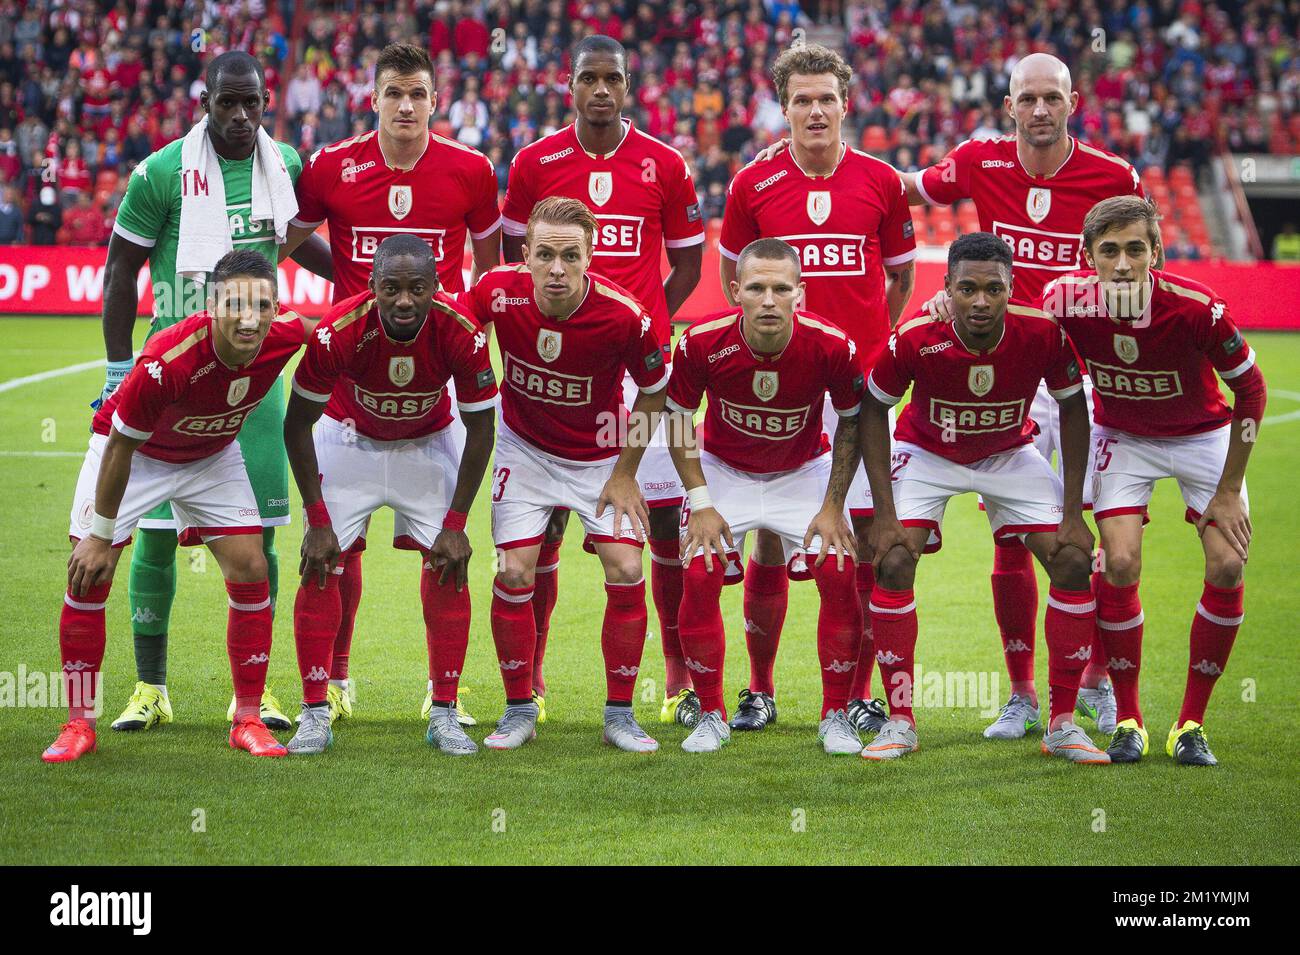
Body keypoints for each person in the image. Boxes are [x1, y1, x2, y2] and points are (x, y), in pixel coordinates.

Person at [909, 54, 1146, 739]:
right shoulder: (979, 160)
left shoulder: (1113, 177)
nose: (1039, 109)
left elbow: (1137, 264)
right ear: (1008, 104)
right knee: (1010, 538)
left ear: (1073, 102)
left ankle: (1094, 681)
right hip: (1013, 379)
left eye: (1052, 97)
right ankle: (1021, 695)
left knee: (1094, 538)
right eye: (1027, 98)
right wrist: (828, 149)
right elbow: (907, 187)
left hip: (1085, 378)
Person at [100, 51, 329, 735]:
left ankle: (253, 694)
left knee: (260, 535)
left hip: (252, 385)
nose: (239, 116)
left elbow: (300, 243)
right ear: (205, 100)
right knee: (157, 536)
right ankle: (150, 686)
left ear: (266, 103)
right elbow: (120, 271)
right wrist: (118, 368)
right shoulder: (162, 172)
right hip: (175, 377)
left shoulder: (284, 164)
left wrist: (363, 273)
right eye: (227, 103)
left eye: (251, 103)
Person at [280, 42, 502, 724]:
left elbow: (489, 275)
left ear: (436, 101)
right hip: (351, 389)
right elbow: (289, 239)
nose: (406, 106)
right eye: (393, 94)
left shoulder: (471, 170)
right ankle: (335, 681)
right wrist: (348, 281)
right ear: (372, 99)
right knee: (333, 548)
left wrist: (466, 340)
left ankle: (446, 695)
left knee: (447, 554)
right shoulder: (331, 167)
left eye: (418, 94)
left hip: (434, 384)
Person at [500, 35, 704, 728]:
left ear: (628, 85)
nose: (600, 90)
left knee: (664, 529)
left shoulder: (664, 165)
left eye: (611, 79)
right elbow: (512, 255)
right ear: (570, 84)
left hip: (634, 373)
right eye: (588, 78)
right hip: (563, 374)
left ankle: (678, 679)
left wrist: (643, 324)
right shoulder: (535, 162)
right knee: (544, 531)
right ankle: (530, 679)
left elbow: (689, 265)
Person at [43, 251, 317, 763]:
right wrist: (102, 534)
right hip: (134, 457)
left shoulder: (282, 336)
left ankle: (248, 718)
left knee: (252, 566)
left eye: (263, 304)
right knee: (89, 574)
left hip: (211, 456)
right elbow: (120, 446)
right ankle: (78, 723)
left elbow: (329, 326)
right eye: (236, 304)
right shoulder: (167, 360)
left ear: (276, 306)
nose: (250, 318)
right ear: (213, 304)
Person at [718, 42, 916, 735]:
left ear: (846, 102)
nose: (814, 110)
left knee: (859, 542)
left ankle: (856, 693)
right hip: (785, 390)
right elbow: (731, 281)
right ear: (784, 105)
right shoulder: (752, 184)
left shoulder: (882, 182)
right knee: (772, 537)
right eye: (801, 99)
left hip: (857, 394)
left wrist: (866, 349)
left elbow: (899, 279)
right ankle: (760, 688)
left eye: (826, 98)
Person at [860, 233, 1105, 763]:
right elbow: (873, 409)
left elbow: (1072, 410)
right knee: (894, 558)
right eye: (966, 288)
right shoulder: (916, 337)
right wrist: (883, 514)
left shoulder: (1042, 334)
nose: (979, 301)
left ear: (1011, 289)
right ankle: (900, 720)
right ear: (945, 288)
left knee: (1073, 559)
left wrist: (1072, 515)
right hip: (927, 452)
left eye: (993, 289)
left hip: (1007, 454)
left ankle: (1062, 723)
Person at [1040, 196, 1267, 765]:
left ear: (1156, 253)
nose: (1122, 263)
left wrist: (1227, 491)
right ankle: (1131, 720)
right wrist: (945, 300)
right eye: (1109, 251)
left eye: (1135, 250)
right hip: (1125, 438)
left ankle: (1191, 723)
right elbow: (1011, 327)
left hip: (1204, 439)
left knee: (1228, 563)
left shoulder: (1198, 309)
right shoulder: (1064, 303)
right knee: (1118, 563)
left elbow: (1252, 391)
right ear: (1087, 257)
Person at [459, 196, 667, 753]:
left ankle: (620, 714)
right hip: (523, 449)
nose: (557, 268)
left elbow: (655, 391)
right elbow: (455, 326)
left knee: (625, 567)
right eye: (544, 254)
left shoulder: (625, 315)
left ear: (590, 255)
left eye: (570, 256)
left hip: (599, 455)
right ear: (524, 254)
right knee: (515, 570)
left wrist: (625, 474)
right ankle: (519, 708)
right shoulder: (496, 291)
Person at [282, 235, 497, 755]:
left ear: (436, 287)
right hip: (348, 438)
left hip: (428, 443)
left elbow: (483, 430)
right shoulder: (337, 331)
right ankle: (315, 710)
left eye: (417, 289)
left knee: (450, 562)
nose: (404, 300)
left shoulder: (462, 332)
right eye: (392, 288)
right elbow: (296, 425)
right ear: (373, 286)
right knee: (320, 562)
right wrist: (315, 518)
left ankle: (444, 710)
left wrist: (456, 523)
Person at [665, 238, 865, 755]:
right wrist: (702, 502)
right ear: (737, 291)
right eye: (757, 288)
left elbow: (853, 420)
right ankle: (710, 714)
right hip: (724, 471)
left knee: (839, 570)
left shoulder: (832, 345)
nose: (769, 300)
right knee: (700, 569)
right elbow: (674, 418)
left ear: (801, 292)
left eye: (781, 288)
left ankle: (835, 715)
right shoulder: (701, 342)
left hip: (802, 472)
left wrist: (832, 506)